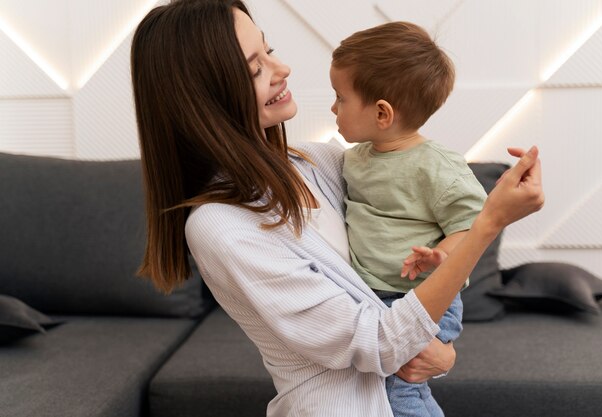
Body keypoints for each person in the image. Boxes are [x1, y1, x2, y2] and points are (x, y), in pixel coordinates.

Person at [130, 1, 544, 416]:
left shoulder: (317, 163)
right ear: (205, 99)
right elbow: (380, 343)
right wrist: (489, 223)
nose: (282, 69)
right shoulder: (220, 226)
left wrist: (444, 352)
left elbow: (410, 197)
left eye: (269, 50)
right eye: (255, 68)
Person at [330, 22, 487, 416]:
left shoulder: (436, 167)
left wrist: (442, 257)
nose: (333, 108)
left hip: (421, 299)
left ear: (382, 113)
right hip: (376, 299)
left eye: (340, 98)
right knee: (380, 395)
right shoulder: (351, 159)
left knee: (400, 395)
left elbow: (474, 225)